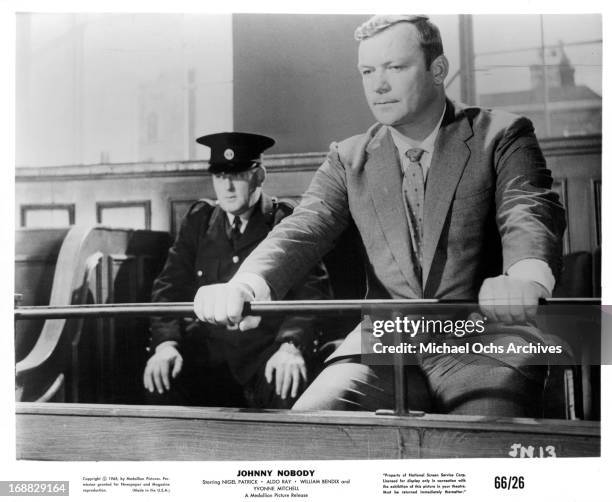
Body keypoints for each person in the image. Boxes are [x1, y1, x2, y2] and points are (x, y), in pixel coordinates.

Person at [192, 16, 566, 416]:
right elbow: (303, 228)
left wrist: (525, 277)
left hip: (485, 338)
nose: (378, 84)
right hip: (387, 342)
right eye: (367, 71)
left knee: (479, 446)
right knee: (309, 431)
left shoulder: (502, 135)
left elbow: (526, 207)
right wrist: (245, 285)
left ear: (438, 70)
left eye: (396, 67)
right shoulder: (348, 157)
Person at [143, 132, 329, 408]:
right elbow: (168, 288)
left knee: (289, 384)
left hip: (264, 355)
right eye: (219, 176)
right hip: (207, 356)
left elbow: (312, 294)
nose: (227, 187)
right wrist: (165, 344)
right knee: (161, 378)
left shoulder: (285, 221)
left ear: (259, 176)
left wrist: (291, 346)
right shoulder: (199, 221)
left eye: (238, 175)